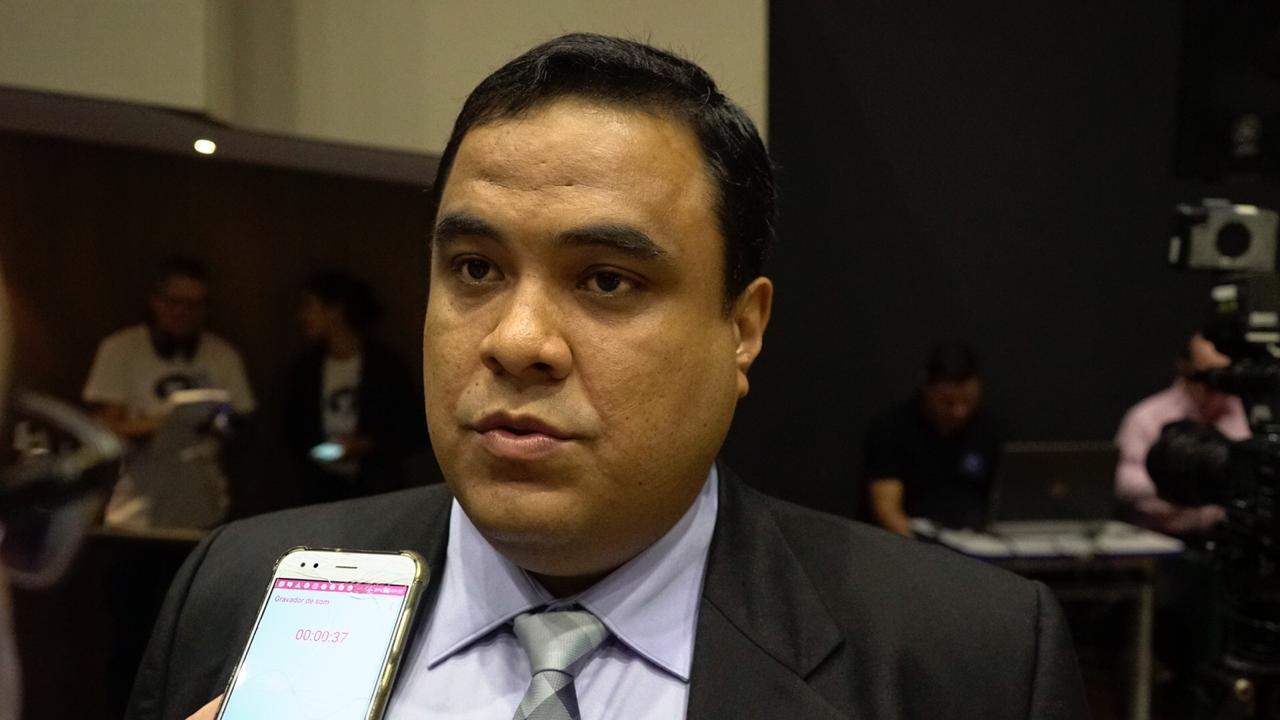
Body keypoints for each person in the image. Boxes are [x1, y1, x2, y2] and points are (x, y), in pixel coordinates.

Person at [128, 34, 1086, 720]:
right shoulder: (240, 593)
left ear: (742, 329)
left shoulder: (968, 660)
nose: (517, 341)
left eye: (606, 280)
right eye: (475, 269)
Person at [83, 257, 255, 529]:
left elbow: (241, 418)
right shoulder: (121, 349)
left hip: (203, 506)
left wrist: (215, 423)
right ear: (155, 301)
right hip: (135, 510)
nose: (183, 312)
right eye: (175, 302)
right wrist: (165, 424)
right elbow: (105, 426)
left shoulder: (222, 356)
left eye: (194, 305)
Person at [285, 271, 421, 503]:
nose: (303, 316)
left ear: (335, 310)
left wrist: (365, 445)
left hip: (377, 489)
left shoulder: (384, 365)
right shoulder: (307, 368)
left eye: (309, 306)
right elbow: (293, 428)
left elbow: (412, 428)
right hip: (320, 489)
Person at [864, 340, 1007, 536]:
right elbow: (886, 510)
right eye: (947, 402)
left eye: (968, 400)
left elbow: (1010, 502)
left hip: (977, 542)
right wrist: (921, 548)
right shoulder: (892, 428)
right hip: (913, 543)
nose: (959, 411)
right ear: (926, 386)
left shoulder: (992, 430)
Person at [1114, 332, 1248, 536]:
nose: (1216, 391)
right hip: (1165, 539)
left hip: (1230, 537)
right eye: (1207, 380)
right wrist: (1180, 488)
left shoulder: (1247, 415)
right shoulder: (1147, 416)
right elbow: (1123, 480)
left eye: (1224, 381)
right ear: (1184, 369)